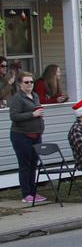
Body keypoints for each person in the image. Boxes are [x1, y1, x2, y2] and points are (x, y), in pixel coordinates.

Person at [8, 70, 46, 203]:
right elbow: (14, 116)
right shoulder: (17, 98)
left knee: (33, 164)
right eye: (26, 82)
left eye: (31, 81)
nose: (30, 84)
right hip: (21, 136)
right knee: (25, 164)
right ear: (20, 84)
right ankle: (26, 194)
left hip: (36, 134)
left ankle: (33, 192)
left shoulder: (35, 96)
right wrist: (33, 114)